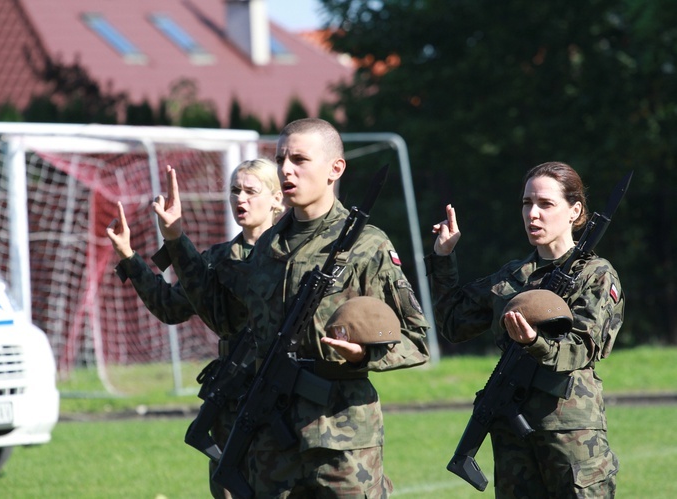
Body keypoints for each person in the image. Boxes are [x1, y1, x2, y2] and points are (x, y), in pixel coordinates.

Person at [153, 117, 430, 497]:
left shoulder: (367, 245)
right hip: (271, 438)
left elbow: (416, 337)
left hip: (342, 441)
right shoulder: (268, 246)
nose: (286, 169)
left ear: (335, 169)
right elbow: (224, 318)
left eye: (299, 159)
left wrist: (365, 353)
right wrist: (175, 239)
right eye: (281, 158)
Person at [427, 161, 623, 498]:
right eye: (526, 203)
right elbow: (453, 324)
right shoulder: (513, 277)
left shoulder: (596, 275)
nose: (533, 214)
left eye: (545, 204)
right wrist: (444, 257)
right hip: (512, 433)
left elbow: (580, 349)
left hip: (571, 434)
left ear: (575, 211)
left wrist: (534, 342)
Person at [106, 158, 284, 499]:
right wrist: (129, 256)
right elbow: (170, 307)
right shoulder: (217, 258)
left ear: (277, 199)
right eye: (235, 191)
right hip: (232, 396)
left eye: (251, 191)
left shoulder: (292, 255)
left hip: (278, 393)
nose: (240, 199)